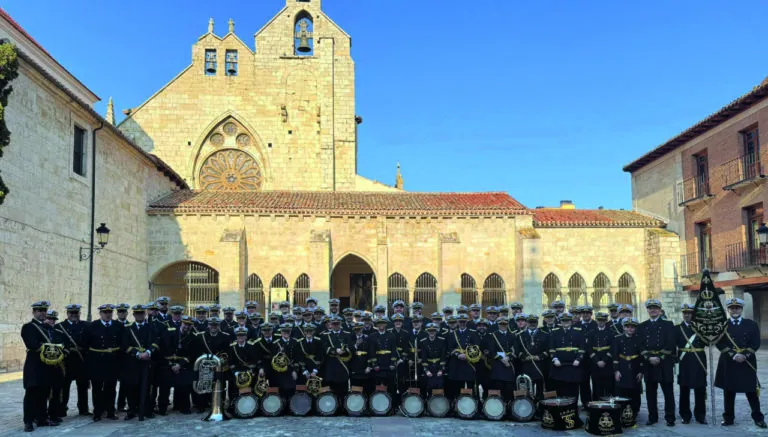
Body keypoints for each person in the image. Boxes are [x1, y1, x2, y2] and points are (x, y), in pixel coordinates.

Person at [715, 297, 766, 428]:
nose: (735, 310)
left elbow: (755, 343)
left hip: (747, 362)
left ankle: (758, 418)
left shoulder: (751, 324)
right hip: (729, 361)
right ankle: (728, 418)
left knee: (751, 391)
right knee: (729, 391)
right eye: (732, 308)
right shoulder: (723, 325)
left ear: (741, 309)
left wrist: (744, 355)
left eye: (737, 308)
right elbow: (719, 343)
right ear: (728, 310)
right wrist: (733, 355)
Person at [639, 299, 676, 426]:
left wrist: (659, 357)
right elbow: (640, 345)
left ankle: (670, 418)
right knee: (650, 393)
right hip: (649, 363)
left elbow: (671, 343)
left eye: (655, 308)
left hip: (664, 363)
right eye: (650, 308)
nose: (653, 310)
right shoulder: (642, 326)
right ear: (647, 310)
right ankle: (652, 417)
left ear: (660, 310)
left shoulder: (668, 324)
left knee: (668, 392)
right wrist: (649, 357)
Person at [121, 304, 159, 421]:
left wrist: (148, 352)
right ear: (134, 315)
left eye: (141, 313)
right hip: (133, 362)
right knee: (132, 387)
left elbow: (155, 342)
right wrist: (137, 354)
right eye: (137, 313)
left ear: (145, 314)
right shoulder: (128, 328)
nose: (139, 315)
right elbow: (125, 345)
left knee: (147, 387)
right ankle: (132, 410)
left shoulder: (151, 327)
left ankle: (147, 410)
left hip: (147, 361)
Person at [87, 303, 123, 422]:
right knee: (97, 388)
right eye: (105, 312)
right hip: (97, 362)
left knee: (111, 388)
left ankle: (110, 411)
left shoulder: (118, 326)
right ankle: (97, 412)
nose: (107, 315)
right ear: (100, 313)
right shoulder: (93, 326)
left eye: (109, 312)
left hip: (113, 362)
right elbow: (86, 344)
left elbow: (122, 343)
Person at [54, 303, 90, 418]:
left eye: (76, 312)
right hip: (66, 361)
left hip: (81, 360)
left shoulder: (86, 325)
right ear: (67, 313)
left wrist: (84, 348)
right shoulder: (60, 326)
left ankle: (83, 409)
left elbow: (89, 341)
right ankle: (62, 409)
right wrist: (67, 349)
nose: (74, 314)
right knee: (64, 387)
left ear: (79, 313)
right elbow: (57, 342)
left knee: (83, 386)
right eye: (71, 312)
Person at [676, 303, 707, 425]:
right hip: (684, 361)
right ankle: (685, 415)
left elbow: (709, 341)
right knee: (684, 389)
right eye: (685, 313)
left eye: (689, 313)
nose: (687, 315)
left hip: (699, 360)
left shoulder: (701, 327)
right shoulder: (677, 328)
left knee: (700, 388)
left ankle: (700, 415)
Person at [162, 316, 196, 414]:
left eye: (189, 325)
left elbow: (192, 354)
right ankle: (162, 408)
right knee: (164, 386)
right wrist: (172, 364)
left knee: (185, 385)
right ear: (181, 323)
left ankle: (184, 407)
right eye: (185, 324)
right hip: (169, 363)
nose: (187, 326)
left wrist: (180, 365)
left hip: (183, 364)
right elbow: (164, 348)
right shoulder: (170, 333)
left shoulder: (193, 337)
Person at [548, 312, 584, 399]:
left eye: (567, 320)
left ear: (571, 321)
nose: (566, 322)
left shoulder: (578, 331)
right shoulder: (555, 332)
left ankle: (574, 407)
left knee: (573, 390)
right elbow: (551, 348)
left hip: (573, 365)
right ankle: (562, 407)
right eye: (564, 321)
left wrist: (578, 359)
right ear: (561, 321)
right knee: (560, 389)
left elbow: (582, 348)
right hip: (559, 365)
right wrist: (555, 359)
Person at [613, 318, 643, 420]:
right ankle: (621, 410)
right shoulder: (618, 339)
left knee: (635, 390)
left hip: (635, 367)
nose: (630, 329)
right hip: (622, 367)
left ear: (635, 328)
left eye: (632, 327)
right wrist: (616, 370)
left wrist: (641, 371)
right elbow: (615, 356)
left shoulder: (639, 339)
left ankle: (635, 410)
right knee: (621, 390)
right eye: (627, 327)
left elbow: (641, 357)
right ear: (624, 328)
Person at [445, 314, 480, 401]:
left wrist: (467, 355)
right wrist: (458, 354)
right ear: (457, 322)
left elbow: (476, 346)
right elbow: (450, 347)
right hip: (457, 363)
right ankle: (458, 404)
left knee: (470, 386)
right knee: (457, 386)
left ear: (466, 322)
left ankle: (472, 404)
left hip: (469, 363)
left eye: (463, 321)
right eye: (460, 322)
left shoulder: (473, 333)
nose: (462, 323)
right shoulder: (452, 334)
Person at [517, 314, 550, 400]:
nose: (532, 324)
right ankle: (528, 406)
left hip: (540, 366)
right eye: (530, 322)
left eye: (534, 322)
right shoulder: (520, 335)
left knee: (540, 390)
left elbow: (548, 349)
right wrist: (524, 357)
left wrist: (540, 357)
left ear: (537, 322)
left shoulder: (545, 335)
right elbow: (517, 350)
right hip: (526, 366)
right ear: (526, 323)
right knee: (526, 391)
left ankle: (540, 406)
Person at [368, 317, 399, 406]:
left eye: (383, 323)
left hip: (389, 364)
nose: (381, 325)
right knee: (376, 387)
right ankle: (377, 406)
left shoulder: (391, 335)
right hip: (378, 364)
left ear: (386, 324)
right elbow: (371, 351)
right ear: (376, 325)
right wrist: (374, 364)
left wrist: (393, 363)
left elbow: (394, 351)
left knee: (391, 387)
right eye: (379, 323)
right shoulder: (372, 336)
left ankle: (392, 406)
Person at [321, 316, 352, 399]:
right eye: (334, 324)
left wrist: (344, 350)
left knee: (343, 389)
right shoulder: (326, 335)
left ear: (340, 323)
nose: (336, 325)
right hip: (331, 365)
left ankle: (343, 405)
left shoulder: (347, 334)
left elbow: (351, 346)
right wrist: (335, 350)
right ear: (331, 324)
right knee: (331, 390)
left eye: (337, 323)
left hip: (343, 364)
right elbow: (324, 347)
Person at [586, 312, 614, 400]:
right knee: (596, 385)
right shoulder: (591, 332)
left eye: (603, 320)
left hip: (607, 362)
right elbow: (589, 348)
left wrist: (604, 360)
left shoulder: (611, 332)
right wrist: (597, 361)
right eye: (599, 320)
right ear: (596, 320)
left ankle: (608, 405)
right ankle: (596, 404)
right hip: (595, 362)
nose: (601, 322)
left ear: (606, 321)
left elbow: (613, 348)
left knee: (608, 385)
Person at [487, 317, 516, 401]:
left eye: (505, 324)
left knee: (509, 388)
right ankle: (499, 406)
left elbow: (516, 349)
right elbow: (492, 351)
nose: (503, 326)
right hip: (498, 365)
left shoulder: (512, 335)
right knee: (498, 387)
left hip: (509, 364)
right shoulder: (493, 335)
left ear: (507, 325)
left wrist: (509, 358)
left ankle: (509, 404)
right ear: (498, 325)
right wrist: (502, 359)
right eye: (501, 324)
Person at [419, 323, 446, 398]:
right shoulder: (423, 341)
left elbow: (443, 356)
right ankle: (428, 401)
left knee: (439, 386)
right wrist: (426, 370)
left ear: (436, 331)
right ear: (427, 331)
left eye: (433, 330)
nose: (432, 332)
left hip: (438, 366)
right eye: (430, 331)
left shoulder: (442, 340)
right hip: (429, 366)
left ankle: (438, 402)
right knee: (428, 387)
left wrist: (441, 369)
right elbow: (423, 357)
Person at [349, 322, 372, 394]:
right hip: (354, 368)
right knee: (356, 392)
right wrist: (356, 345)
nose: (358, 331)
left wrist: (369, 366)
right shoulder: (350, 338)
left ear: (362, 329)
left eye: (359, 329)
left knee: (366, 391)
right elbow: (349, 352)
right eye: (356, 329)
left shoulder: (367, 338)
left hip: (365, 368)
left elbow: (370, 353)